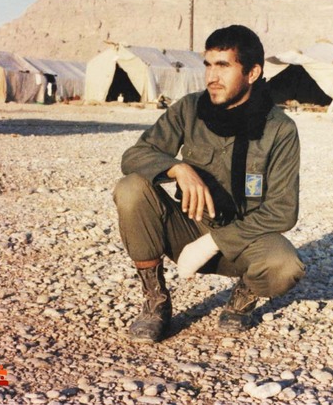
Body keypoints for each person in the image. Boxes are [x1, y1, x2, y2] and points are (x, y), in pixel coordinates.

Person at [113, 25, 306, 343]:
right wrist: (178, 168)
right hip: (189, 228)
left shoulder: (279, 129)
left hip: (244, 239)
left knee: (285, 266)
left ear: (252, 73)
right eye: (208, 65)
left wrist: (213, 242)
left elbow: (282, 211)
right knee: (131, 188)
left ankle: (244, 295)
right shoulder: (189, 109)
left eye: (224, 66)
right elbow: (135, 156)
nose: (212, 77)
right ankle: (155, 301)